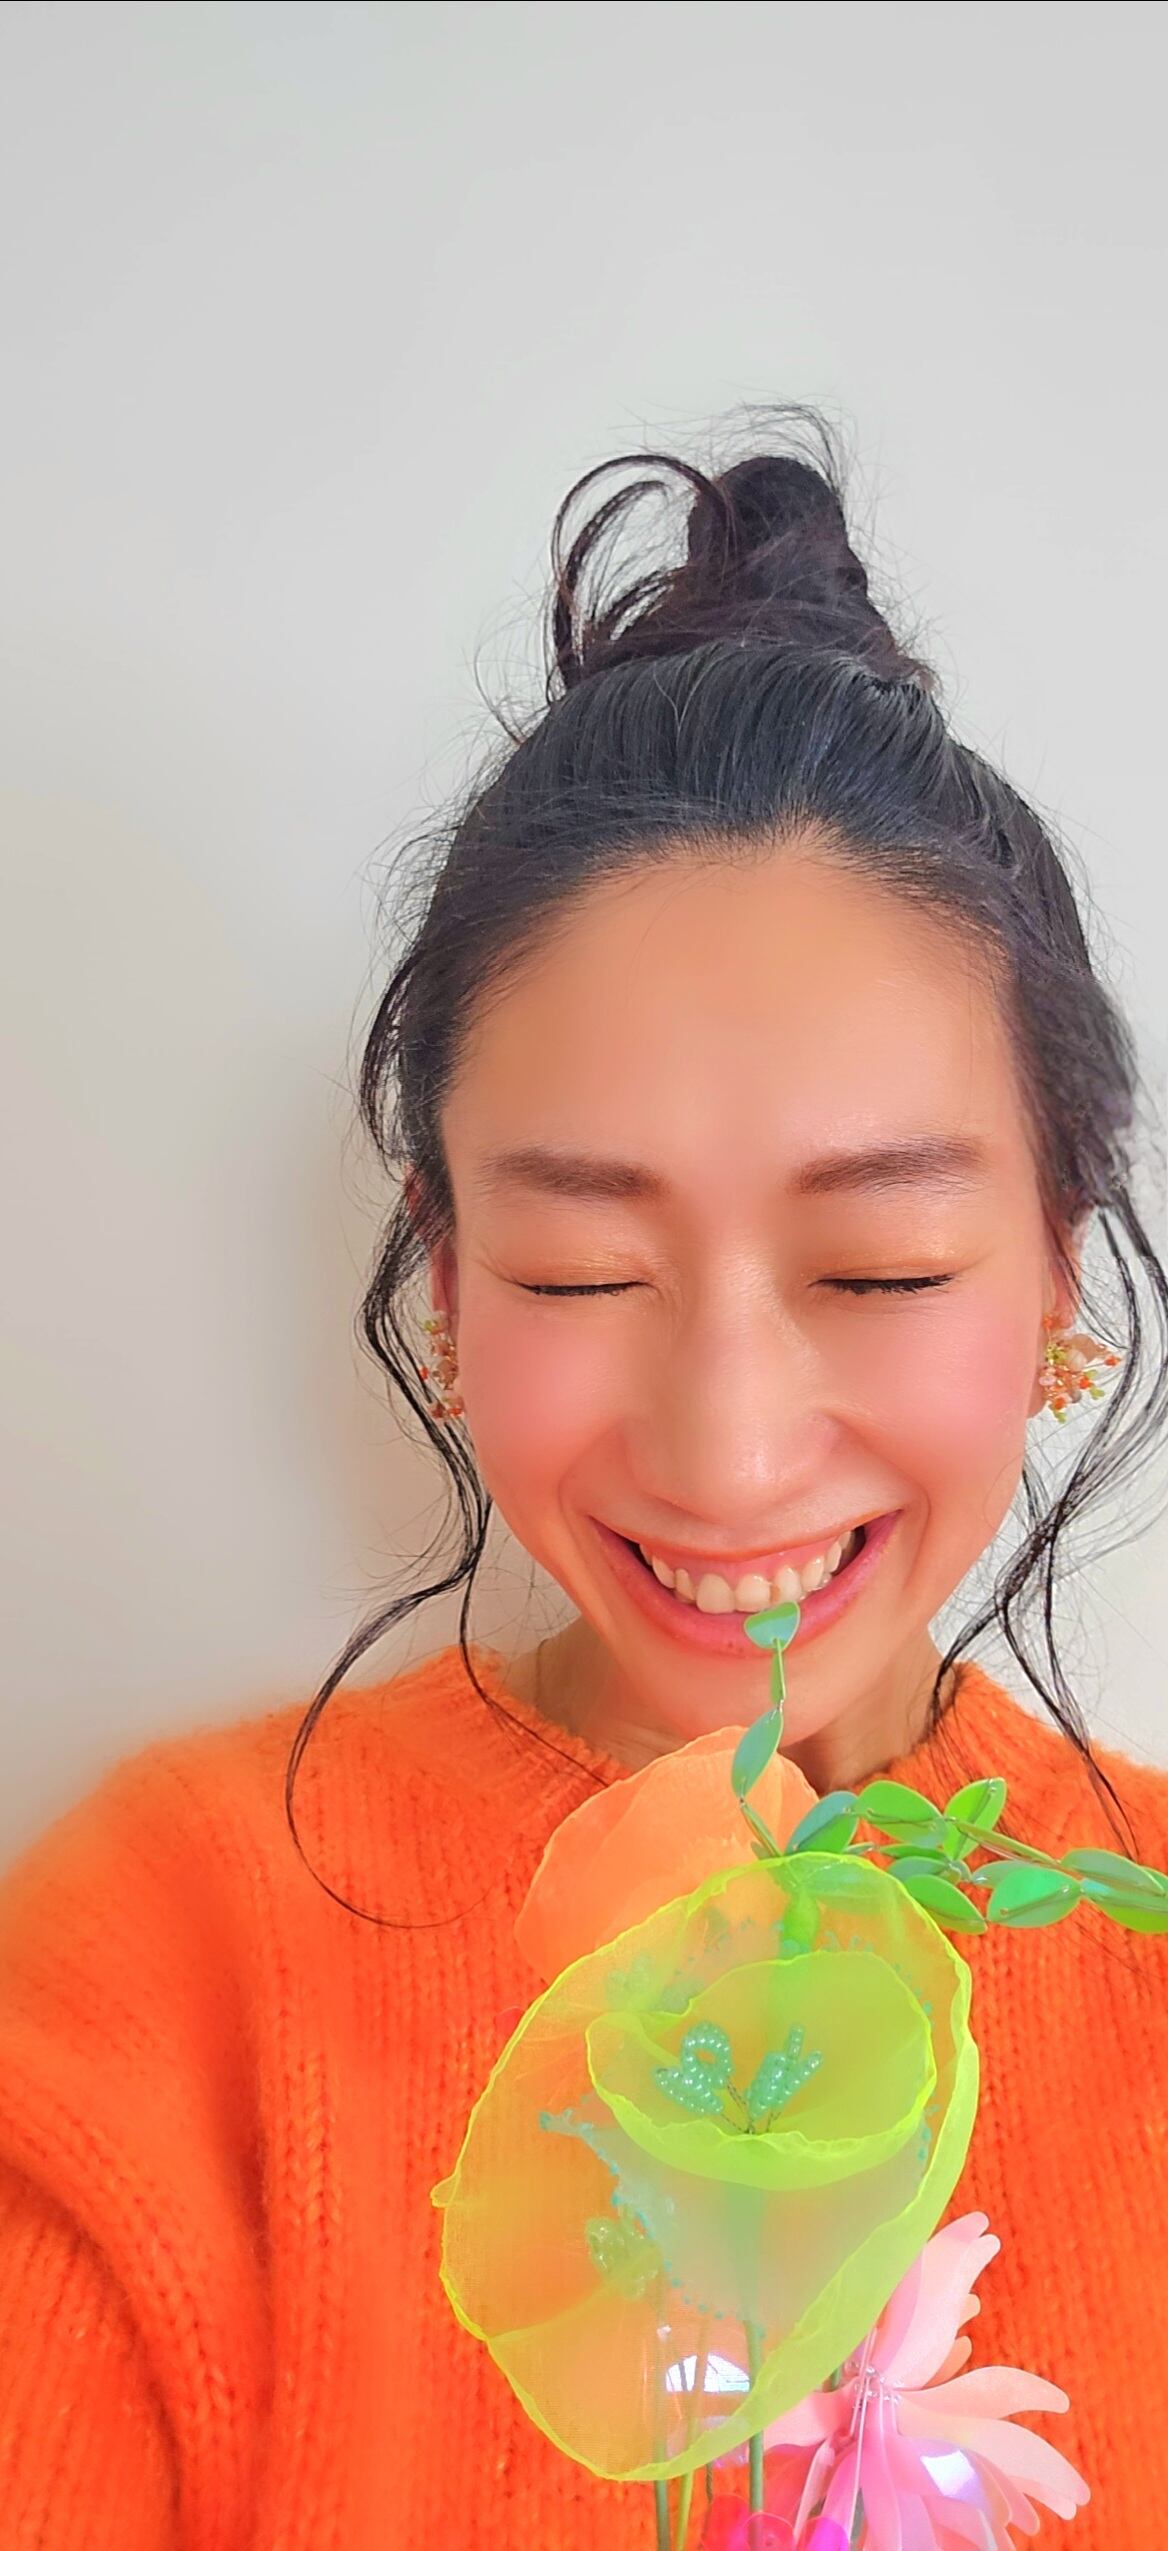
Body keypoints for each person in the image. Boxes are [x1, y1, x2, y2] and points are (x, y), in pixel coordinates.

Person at [1, 408, 1166, 2551]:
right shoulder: (160, 1976)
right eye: (581, 1272)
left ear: (1053, 1280)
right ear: (448, 1284)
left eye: (879, 1267)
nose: (728, 1450)